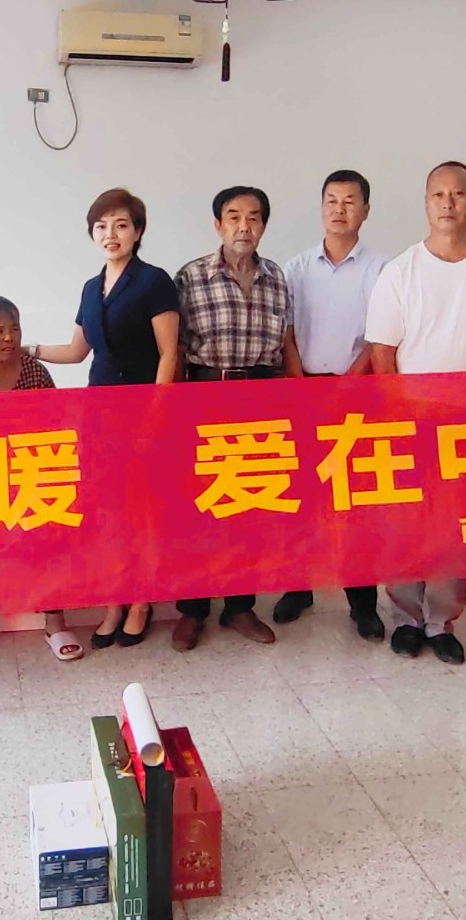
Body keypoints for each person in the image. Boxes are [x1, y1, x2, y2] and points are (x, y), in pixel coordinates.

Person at [365, 161, 466, 666]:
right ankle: (406, 618)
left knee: (457, 526)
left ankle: (441, 620)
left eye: (458, 193)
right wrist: (395, 416)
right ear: (426, 203)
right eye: (438, 194)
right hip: (410, 417)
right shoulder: (402, 270)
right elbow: (382, 350)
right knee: (405, 522)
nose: (448, 203)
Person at [28, 188, 178, 648]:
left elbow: (169, 353)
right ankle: (114, 601)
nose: (110, 234)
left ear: (138, 231)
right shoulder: (91, 288)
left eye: (121, 225)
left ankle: (142, 602)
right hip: (100, 417)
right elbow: (78, 351)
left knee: (144, 513)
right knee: (109, 514)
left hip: (144, 414)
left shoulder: (154, 282)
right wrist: (28, 349)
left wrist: (156, 413)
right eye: (101, 226)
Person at [171, 185, 302, 652]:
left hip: (262, 398)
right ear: (218, 225)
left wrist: (300, 397)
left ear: (263, 225)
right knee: (200, 510)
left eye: (253, 217)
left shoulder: (277, 277)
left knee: (250, 506)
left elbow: (286, 343)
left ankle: (240, 606)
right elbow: (174, 348)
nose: (243, 226)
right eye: (233, 217)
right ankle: (192, 610)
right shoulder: (190, 277)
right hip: (205, 396)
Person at [270, 169, 390, 640]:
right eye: (332, 201)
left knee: (355, 503)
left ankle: (363, 602)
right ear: (321, 207)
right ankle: (298, 587)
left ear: (366, 209)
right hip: (302, 390)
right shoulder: (295, 268)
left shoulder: (382, 269)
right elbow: (286, 331)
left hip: (356, 394)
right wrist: (299, 381)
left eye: (350, 201)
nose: (340, 210)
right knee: (300, 497)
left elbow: (381, 336)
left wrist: (348, 386)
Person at [0, 295, 83, 668]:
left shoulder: (36, 374)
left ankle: (55, 623)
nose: (9, 338)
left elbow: (56, 426)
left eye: (15, 329)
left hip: (31, 473)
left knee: (51, 531)